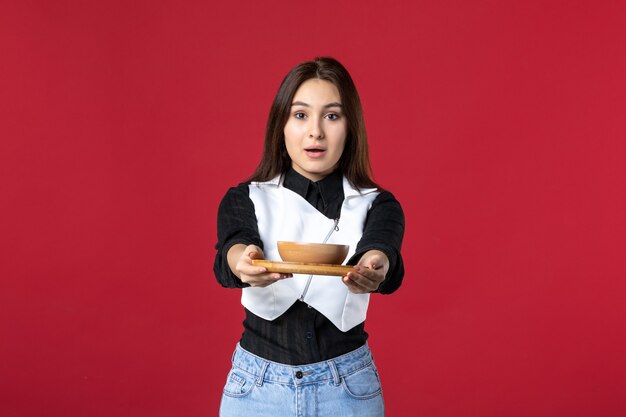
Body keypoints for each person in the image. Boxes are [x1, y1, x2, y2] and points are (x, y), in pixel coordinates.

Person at [214, 57, 405, 417]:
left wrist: (376, 265)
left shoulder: (378, 204)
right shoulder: (245, 197)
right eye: (300, 115)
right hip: (256, 388)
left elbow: (381, 248)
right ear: (281, 124)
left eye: (331, 116)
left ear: (350, 127)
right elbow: (234, 244)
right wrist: (241, 261)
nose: (315, 131)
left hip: (348, 389)